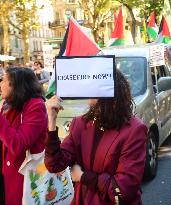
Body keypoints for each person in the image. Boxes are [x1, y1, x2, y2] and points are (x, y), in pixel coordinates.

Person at [45, 69, 147, 205]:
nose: (89, 100)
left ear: (112, 95)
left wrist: (83, 176)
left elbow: (122, 191)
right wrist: (51, 121)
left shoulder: (134, 130)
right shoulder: (80, 123)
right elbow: (54, 164)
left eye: (94, 92)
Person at [0, 67, 48, 205]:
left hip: (25, 177)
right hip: (6, 173)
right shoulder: (9, 104)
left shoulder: (36, 106)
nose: (0, 84)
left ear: (16, 84)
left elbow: (18, 144)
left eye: (3, 80)